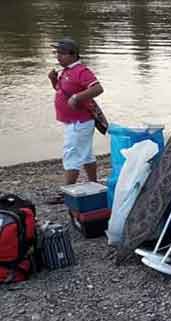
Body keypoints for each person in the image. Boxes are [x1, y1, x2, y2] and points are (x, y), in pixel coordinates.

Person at [47, 37, 104, 203]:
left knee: (71, 154)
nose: (58, 56)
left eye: (62, 53)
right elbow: (60, 90)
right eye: (57, 53)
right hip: (73, 122)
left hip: (79, 122)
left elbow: (98, 88)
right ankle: (94, 183)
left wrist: (78, 97)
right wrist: (53, 80)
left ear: (73, 55)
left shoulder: (81, 71)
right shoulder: (65, 71)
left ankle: (67, 191)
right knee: (86, 154)